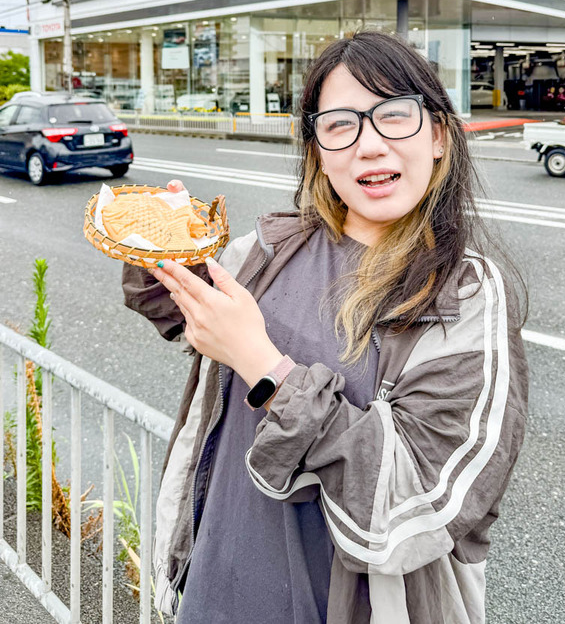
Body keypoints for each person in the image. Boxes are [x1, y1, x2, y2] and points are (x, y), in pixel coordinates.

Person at [122, 31, 528, 624]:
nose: (369, 146)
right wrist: (162, 249)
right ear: (317, 148)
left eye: (394, 115)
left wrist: (264, 369)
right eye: (341, 125)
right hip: (214, 586)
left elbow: (422, 503)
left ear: (439, 135)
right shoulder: (274, 247)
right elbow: (177, 311)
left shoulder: (465, 293)